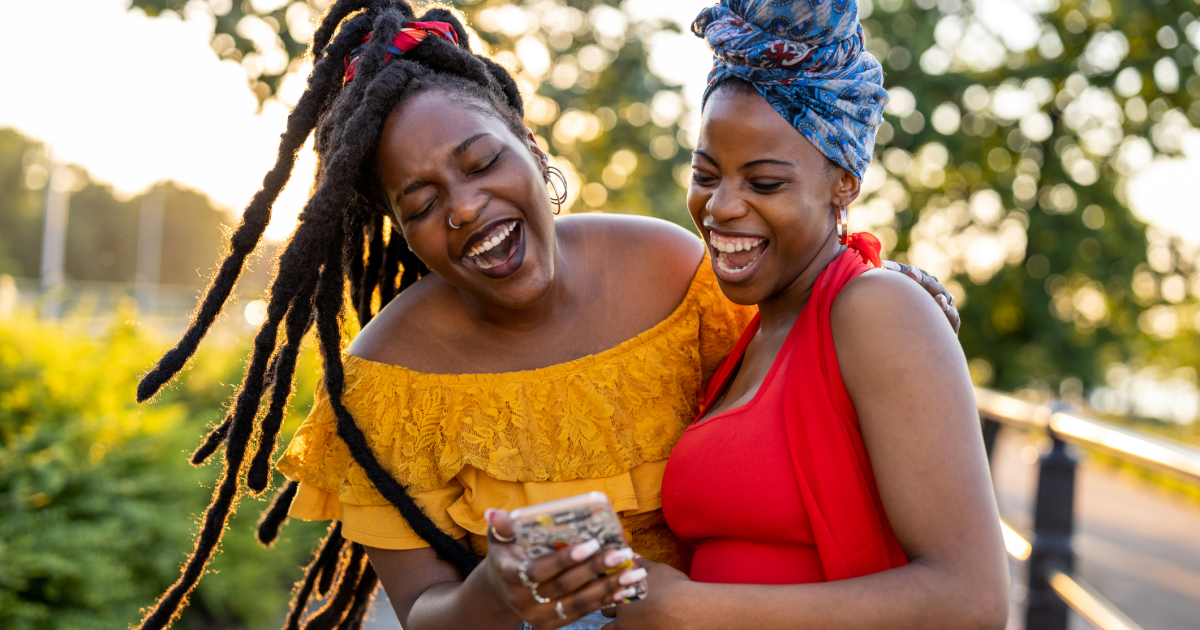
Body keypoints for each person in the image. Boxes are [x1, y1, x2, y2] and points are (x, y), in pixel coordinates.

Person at [130, 2, 959, 630]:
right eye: (420, 202)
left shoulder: (675, 268)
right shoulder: (382, 385)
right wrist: (497, 590)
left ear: (530, 146)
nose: (462, 207)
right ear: (396, 227)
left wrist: (887, 292)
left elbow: (801, 355)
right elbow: (423, 615)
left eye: (482, 161)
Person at [598, 2, 1010, 629]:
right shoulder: (752, 330)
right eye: (705, 174)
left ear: (843, 182)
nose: (721, 207)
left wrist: (696, 609)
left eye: (764, 184)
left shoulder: (878, 310)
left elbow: (972, 601)